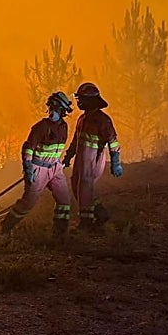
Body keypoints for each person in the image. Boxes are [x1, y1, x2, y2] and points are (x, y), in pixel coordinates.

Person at [1, 91, 75, 238]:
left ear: (63, 111)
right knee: (28, 202)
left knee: (65, 202)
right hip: (38, 169)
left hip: (55, 169)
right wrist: (28, 168)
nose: (52, 111)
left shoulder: (64, 127)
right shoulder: (40, 127)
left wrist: (63, 161)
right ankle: (5, 228)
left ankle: (59, 235)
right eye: (51, 107)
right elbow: (28, 147)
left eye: (56, 108)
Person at [68, 82, 123, 230]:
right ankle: (100, 212)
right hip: (81, 160)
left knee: (85, 187)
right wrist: (68, 156)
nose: (79, 102)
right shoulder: (81, 119)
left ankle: (86, 222)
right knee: (75, 184)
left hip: (94, 160)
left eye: (81, 99)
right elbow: (76, 140)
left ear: (91, 100)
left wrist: (115, 162)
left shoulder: (103, 120)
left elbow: (113, 142)